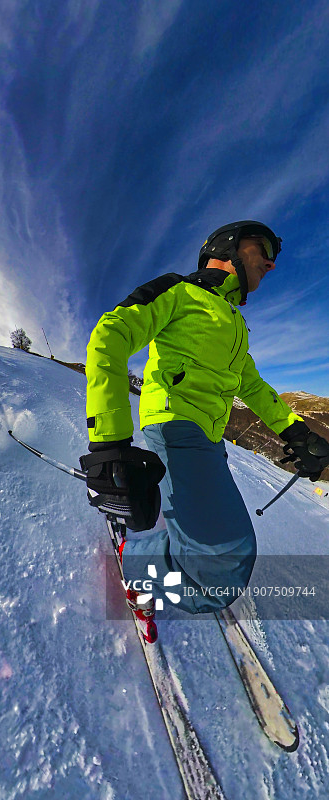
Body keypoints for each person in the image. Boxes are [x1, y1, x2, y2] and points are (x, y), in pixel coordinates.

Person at [83, 221, 329, 643]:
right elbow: (110, 335)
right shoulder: (179, 292)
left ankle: (165, 558)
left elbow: (252, 386)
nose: (271, 262)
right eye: (263, 247)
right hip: (176, 423)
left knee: (221, 552)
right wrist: (109, 441)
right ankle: (136, 563)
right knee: (226, 563)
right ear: (228, 246)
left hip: (207, 437)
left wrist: (296, 433)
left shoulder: (234, 325)